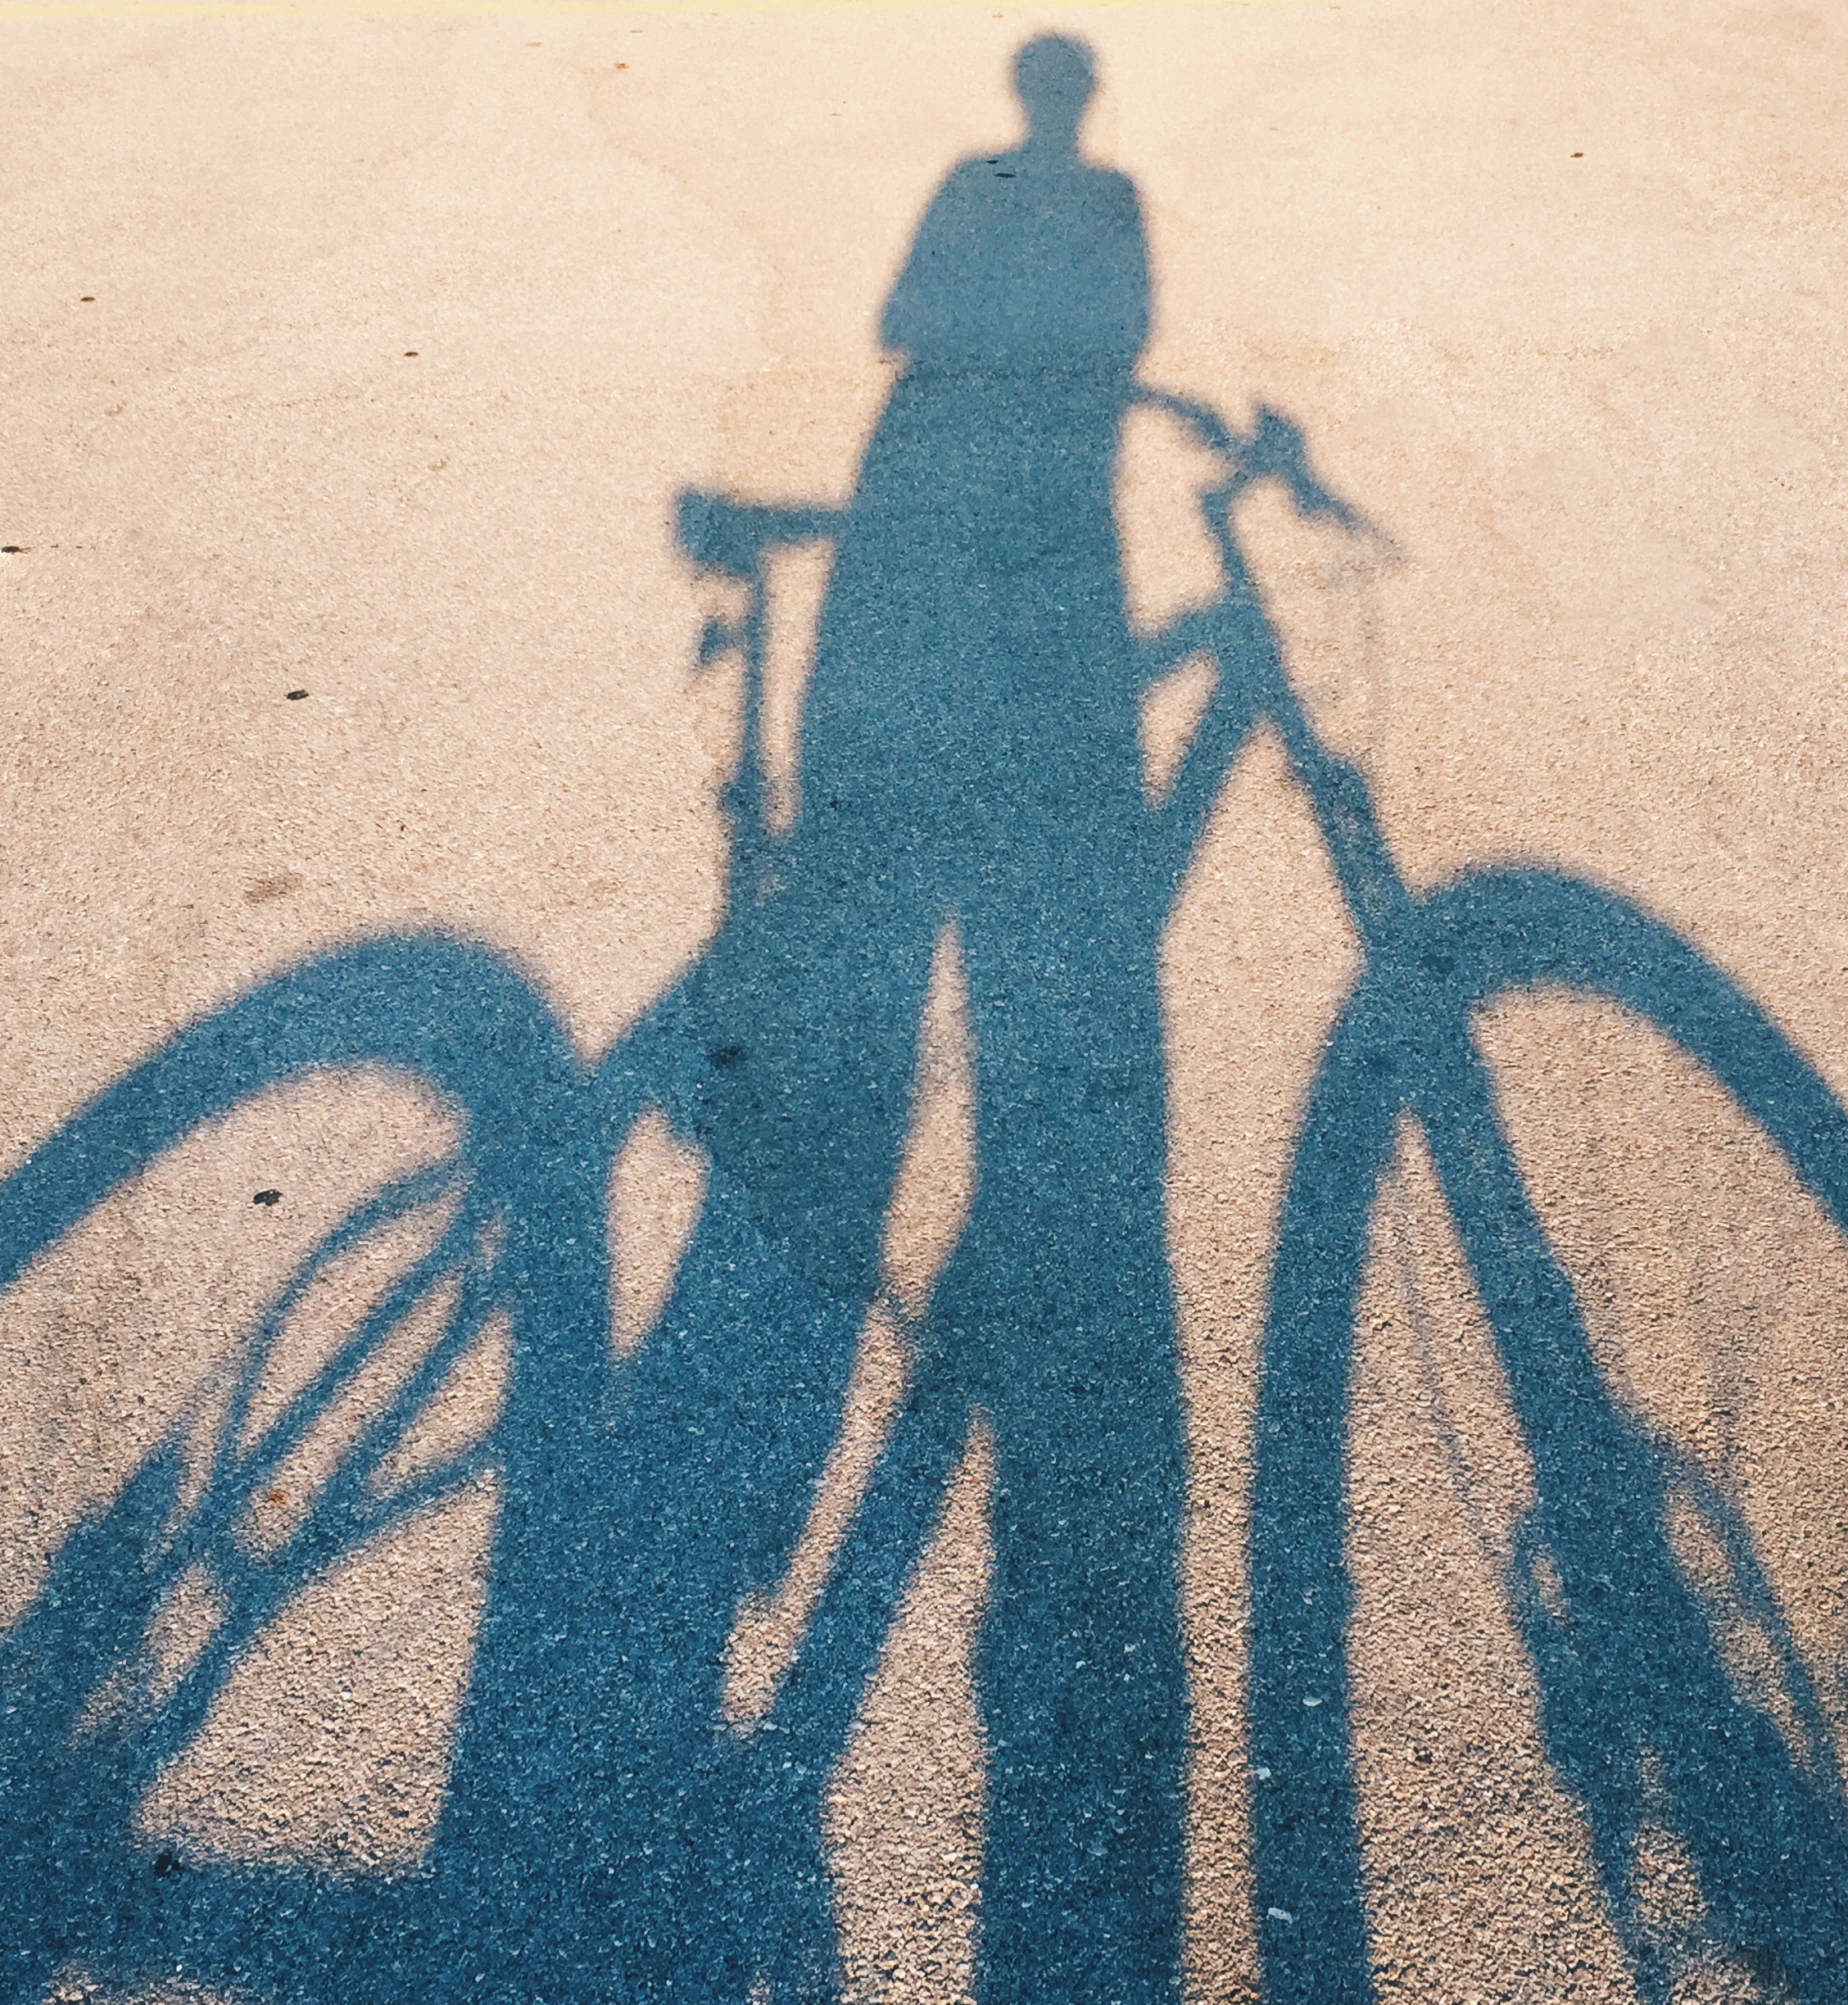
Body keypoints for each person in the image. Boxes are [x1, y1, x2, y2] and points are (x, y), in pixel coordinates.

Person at [699, 35, 1189, 2003]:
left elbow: (904, 322)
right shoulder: (1109, 202)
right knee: (992, 969)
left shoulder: (991, 196)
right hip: (1052, 542)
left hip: (936, 510)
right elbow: (1114, 345)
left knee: (864, 913)